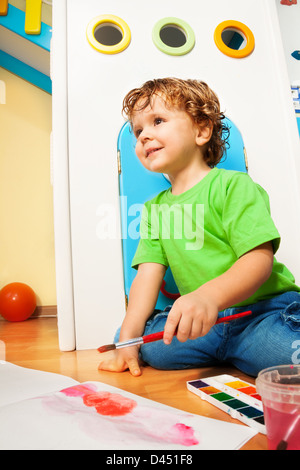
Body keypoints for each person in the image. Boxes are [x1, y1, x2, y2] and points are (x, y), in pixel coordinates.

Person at [98, 77, 300, 377]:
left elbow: (259, 261)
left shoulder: (233, 186)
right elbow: (146, 278)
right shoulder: (154, 209)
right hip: (208, 324)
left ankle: (248, 345)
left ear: (202, 130)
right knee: (152, 348)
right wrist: (127, 338)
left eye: (158, 121)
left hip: (260, 314)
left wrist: (208, 297)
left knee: (290, 352)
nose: (143, 136)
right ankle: (234, 352)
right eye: (138, 130)